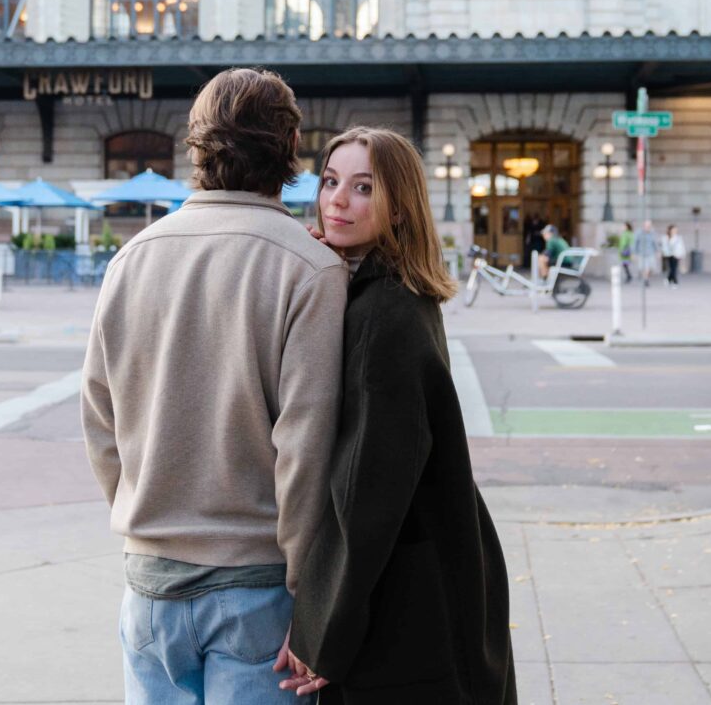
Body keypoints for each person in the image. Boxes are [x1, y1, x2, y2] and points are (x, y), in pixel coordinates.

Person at [81, 68, 348, 705]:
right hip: (257, 588)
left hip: (148, 585)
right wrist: (311, 597)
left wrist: (149, 511)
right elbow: (304, 450)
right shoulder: (311, 267)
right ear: (289, 152)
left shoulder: (133, 257)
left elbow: (99, 418)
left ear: (196, 147)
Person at [276, 127, 517, 704]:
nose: (337, 200)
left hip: (407, 597)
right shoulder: (394, 291)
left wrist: (322, 629)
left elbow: (366, 493)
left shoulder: (385, 315)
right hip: (431, 566)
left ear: (399, 206)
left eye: (363, 188)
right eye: (330, 181)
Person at [633, 219, 659, 287]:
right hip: (641, 253)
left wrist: (658, 251)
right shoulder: (638, 233)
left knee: (651, 267)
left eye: (649, 226)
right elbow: (635, 243)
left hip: (650, 253)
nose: (648, 228)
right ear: (643, 226)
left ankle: (645, 278)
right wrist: (634, 253)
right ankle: (645, 279)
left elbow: (655, 243)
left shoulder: (652, 233)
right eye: (647, 226)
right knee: (643, 267)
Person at [661, 224, 686, 288]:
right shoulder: (665, 237)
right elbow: (663, 246)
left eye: (676, 230)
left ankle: (674, 281)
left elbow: (681, 247)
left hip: (676, 255)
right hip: (668, 254)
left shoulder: (678, 238)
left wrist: (682, 254)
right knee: (671, 268)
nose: (675, 231)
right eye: (674, 229)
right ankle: (669, 279)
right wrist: (663, 252)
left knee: (674, 268)